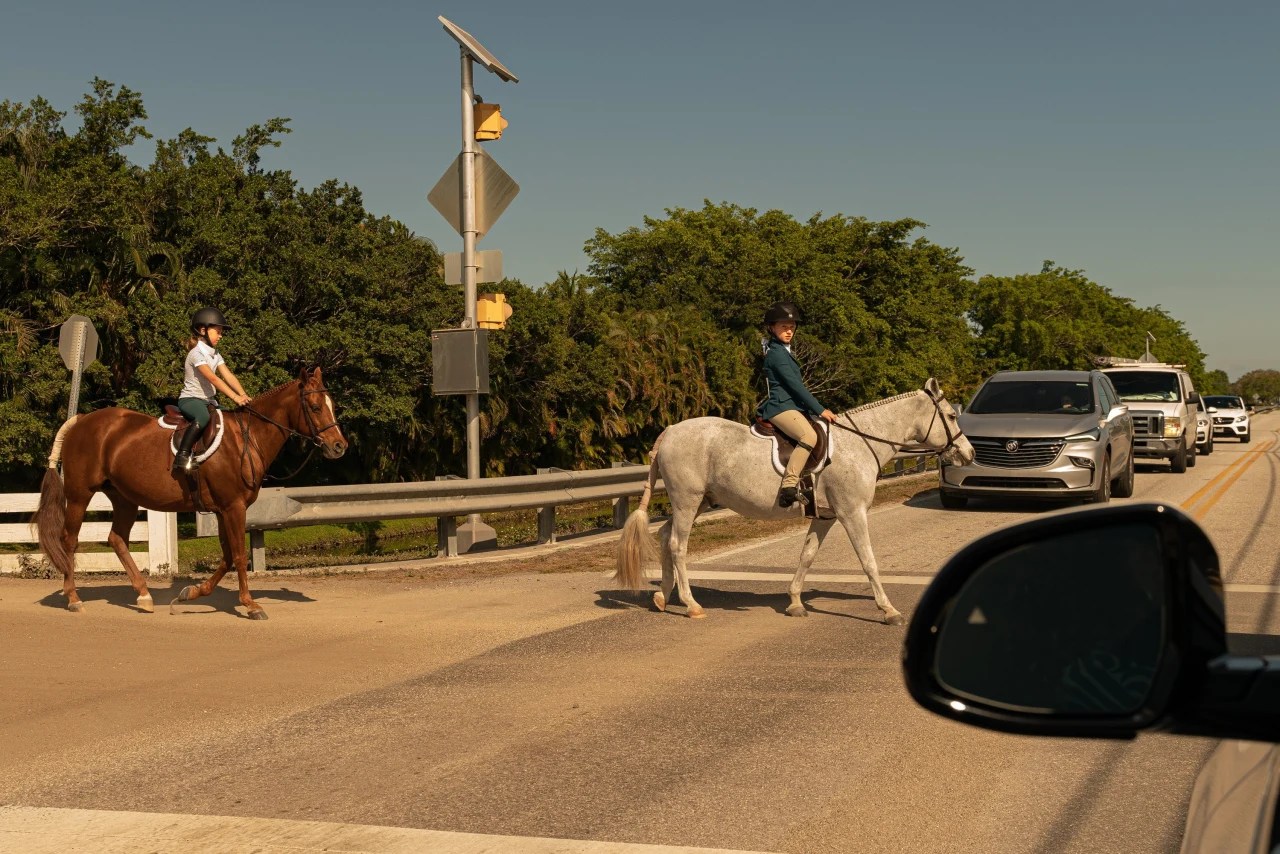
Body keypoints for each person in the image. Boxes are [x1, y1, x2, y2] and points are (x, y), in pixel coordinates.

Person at [755, 301, 837, 507]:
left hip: (793, 406)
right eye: (784, 327)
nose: (789, 331)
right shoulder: (776, 354)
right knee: (808, 436)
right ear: (772, 328)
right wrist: (820, 409)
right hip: (781, 406)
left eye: (792, 327)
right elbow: (795, 388)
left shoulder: (783, 351)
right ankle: (789, 486)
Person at [173, 307, 251, 476]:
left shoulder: (215, 354)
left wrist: (243, 394)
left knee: (230, 418)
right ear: (203, 330)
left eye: (221, 332)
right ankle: (182, 455)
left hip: (209, 401)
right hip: (191, 400)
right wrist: (235, 397)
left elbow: (228, 375)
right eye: (218, 331)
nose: (221, 335)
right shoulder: (196, 354)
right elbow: (213, 379)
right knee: (203, 417)